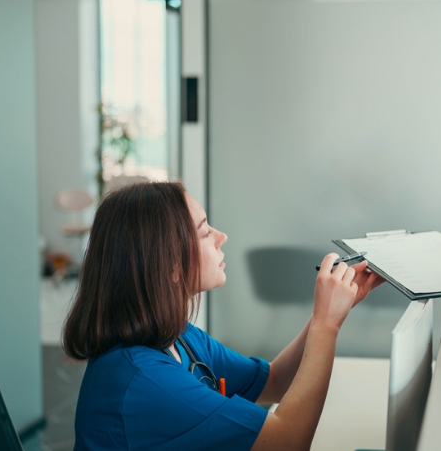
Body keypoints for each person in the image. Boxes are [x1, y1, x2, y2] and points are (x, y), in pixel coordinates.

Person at [63, 182, 384, 450]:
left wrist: (326, 313)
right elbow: (288, 443)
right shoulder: (142, 381)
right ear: (170, 265)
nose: (221, 237)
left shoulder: (179, 338)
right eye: (204, 233)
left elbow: (272, 382)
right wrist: (328, 326)